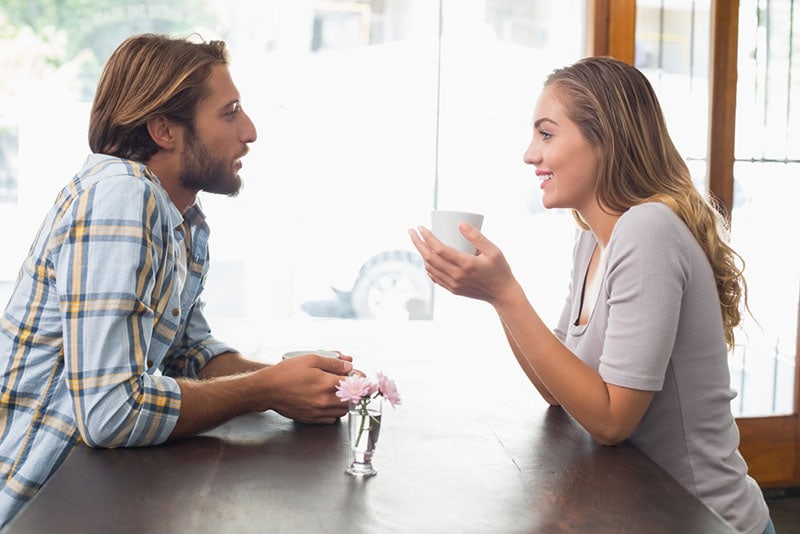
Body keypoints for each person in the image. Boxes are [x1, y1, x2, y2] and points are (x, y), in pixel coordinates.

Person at [0, 33, 355, 527]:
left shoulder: (180, 219)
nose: (249, 132)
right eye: (229, 112)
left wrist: (293, 383)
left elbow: (186, 351)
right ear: (165, 130)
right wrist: (266, 390)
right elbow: (111, 413)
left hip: (97, 493)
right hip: (37, 507)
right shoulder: (121, 197)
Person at [409, 56, 773, 534]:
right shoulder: (593, 241)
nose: (529, 155)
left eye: (546, 134)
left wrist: (506, 294)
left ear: (604, 139)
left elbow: (610, 421)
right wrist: (493, 295)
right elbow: (555, 389)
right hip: (641, 510)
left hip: (704, 520)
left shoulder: (649, 231)